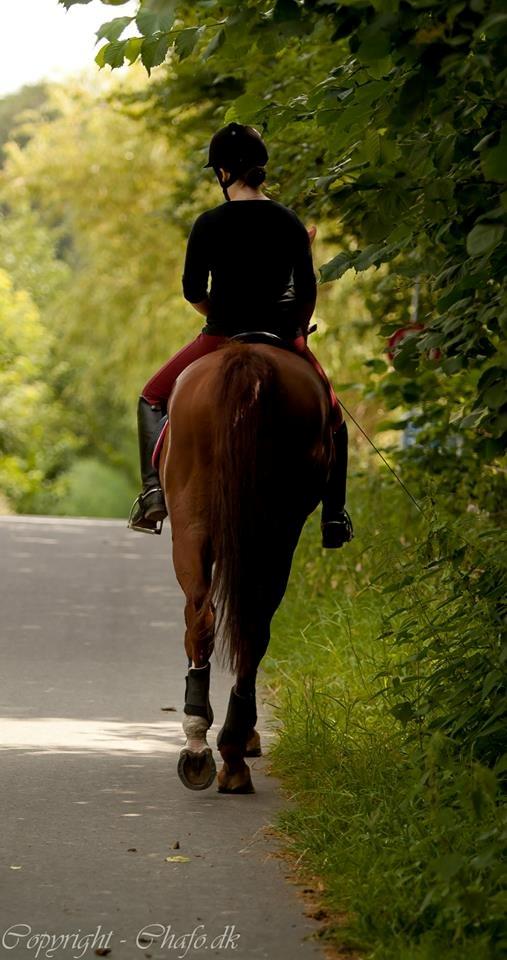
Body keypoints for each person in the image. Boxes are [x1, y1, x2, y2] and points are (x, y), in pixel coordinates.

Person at [128, 122, 353, 549]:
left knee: (152, 396)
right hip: (284, 337)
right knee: (333, 414)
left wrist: (219, 319)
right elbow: (307, 292)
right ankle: (334, 516)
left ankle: (153, 492)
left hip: (220, 337)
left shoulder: (209, 222)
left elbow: (192, 291)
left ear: (223, 173)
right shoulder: (289, 222)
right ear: (259, 169)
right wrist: (295, 332)